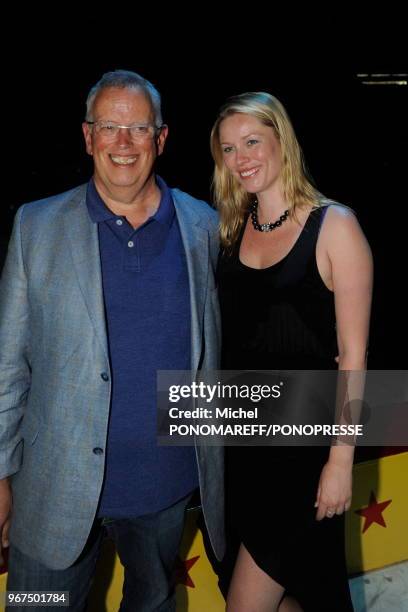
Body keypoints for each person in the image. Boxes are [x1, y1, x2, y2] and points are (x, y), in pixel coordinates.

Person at [0, 69, 224, 611]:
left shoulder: (205, 226)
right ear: (87, 136)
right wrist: (0, 474)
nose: (123, 144)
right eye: (109, 127)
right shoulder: (36, 225)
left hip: (164, 491)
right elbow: (7, 366)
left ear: (161, 138)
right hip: (51, 491)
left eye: (139, 129)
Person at [211, 92, 373, 611]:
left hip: (303, 456)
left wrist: (341, 462)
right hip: (239, 454)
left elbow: (353, 358)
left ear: (283, 141)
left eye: (253, 141)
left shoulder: (336, 226)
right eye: (229, 149)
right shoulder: (231, 232)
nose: (242, 158)